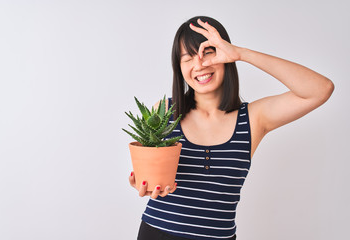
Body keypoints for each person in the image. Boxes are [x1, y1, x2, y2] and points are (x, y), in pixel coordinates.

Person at [129, 16, 334, 240]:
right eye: (187, 58)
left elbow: (320, 89)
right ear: (179, 67)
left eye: (208, 53)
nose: (199, 65)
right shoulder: (165, 112)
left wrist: (242, 54)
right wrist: (145, 183)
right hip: (157, 233)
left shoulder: (253, 119)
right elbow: (149, 170)